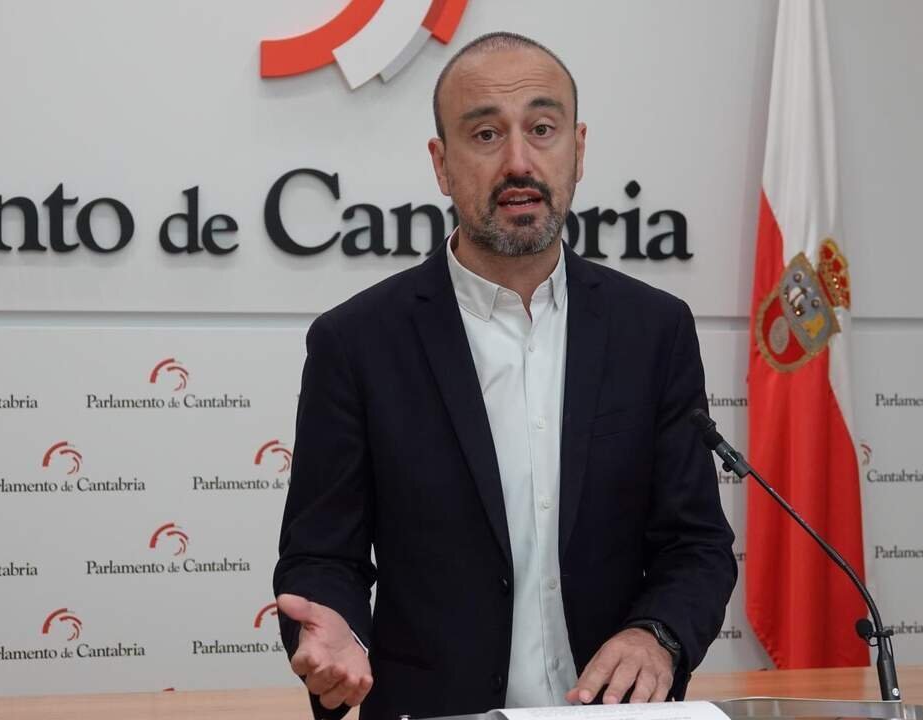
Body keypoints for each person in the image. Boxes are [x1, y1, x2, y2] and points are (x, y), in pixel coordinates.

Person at [273, 31, 736, 720]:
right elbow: (321, 556)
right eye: (485, 135)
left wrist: (658, 635)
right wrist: (335, 632)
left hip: (610, 712)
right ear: (441, 164)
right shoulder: (357, 342)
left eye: (542, 129)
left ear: (579, 148)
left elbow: (695, 545)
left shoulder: (654, 330)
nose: (519, 161)